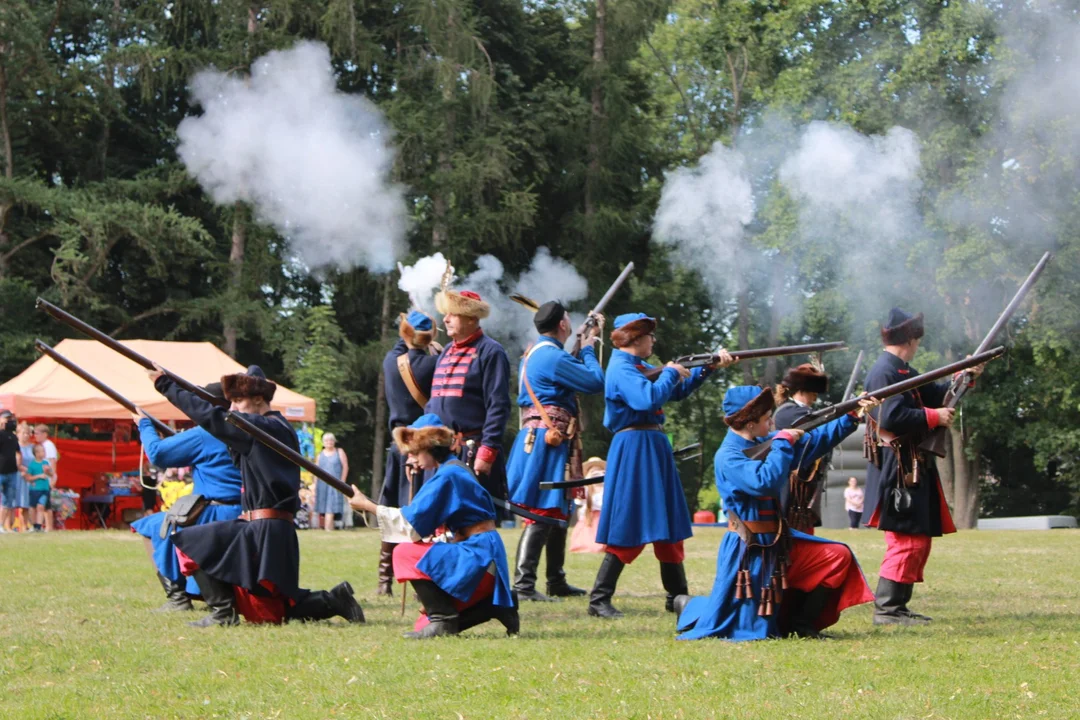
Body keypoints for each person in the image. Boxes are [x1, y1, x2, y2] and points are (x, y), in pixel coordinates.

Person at [148, 364, 364, 627]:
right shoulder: (274, 428)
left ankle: (223, 613)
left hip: (266, 528)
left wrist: (166, 385)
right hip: (265, 527)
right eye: (232, 401)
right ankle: (335, 600)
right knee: (272, 609)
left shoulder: (264, 428)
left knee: (192, 545)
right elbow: (231, 442)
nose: (234, 407)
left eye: (239, 400)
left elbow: (213, 418)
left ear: (259, 399)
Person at [674, 385, 875, 641]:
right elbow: (764, 482)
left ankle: (802, 625)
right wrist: (782, 444)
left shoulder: (764, 443)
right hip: (749, 549)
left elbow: (813, 444)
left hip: (778, 543)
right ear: (749, 423)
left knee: (837, 556)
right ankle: (690, 606)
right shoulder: (729, 455)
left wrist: (850, 417)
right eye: (767, 417)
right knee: (739, 622)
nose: (773, 421)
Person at [587, 313, 734, 619]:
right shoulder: (622, 368)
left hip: (651, 446)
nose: (654, 341)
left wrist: (706, 368)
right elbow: (646, 399)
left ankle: (677, 596)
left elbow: (675, 391)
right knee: (629, 523)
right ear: (636, 338)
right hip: (635, 447)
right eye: (650, 335)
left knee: (667, 523)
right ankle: (599, 599)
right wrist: (669, 372)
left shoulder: (636, 366)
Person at [861, 308, 982, 626]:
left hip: (909, 464)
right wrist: (933, 417)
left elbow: (939, 394)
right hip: (898, 466)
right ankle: (887, 610)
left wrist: (965, 376)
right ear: (911, 339)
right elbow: (890, 418)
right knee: (906, 539)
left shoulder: (901, 371)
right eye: (916, 339)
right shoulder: (885, 371)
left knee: (916, 538)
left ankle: (898, 607)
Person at [347, 414, 518, 639]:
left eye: (416, 452)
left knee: (404, 554)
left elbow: (409, 524)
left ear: (430, 447)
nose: (412, 459)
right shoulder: (450, 470)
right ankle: (494, 608)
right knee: (421, 624)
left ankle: (444, 621)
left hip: (479, 559)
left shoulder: (447, 475)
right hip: (482, 555)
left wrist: (367, 505)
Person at [506, 301, 606, 601]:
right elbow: (594, 381)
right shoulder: (551, 356)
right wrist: (588, 348)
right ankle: (524, 585)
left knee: (558, 506)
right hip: (546, 438)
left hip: (543, 437)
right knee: (543, 509)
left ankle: (555, 580)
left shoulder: (541, 353)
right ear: (562, 325)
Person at [129, 383, 244, 612]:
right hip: (240, 508)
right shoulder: (242, 426)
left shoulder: (206, 433)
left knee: (150, 526)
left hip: (213, 512)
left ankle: (177, 597)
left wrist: (144, 425)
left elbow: (158, 454)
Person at [425, 285, 511, 518]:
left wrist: (488, 451)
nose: (446, 319)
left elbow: (498, 406)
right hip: (443, 449)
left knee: (473, 522)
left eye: (453, 314)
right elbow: (433, 404)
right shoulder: (445, 353)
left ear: (471, 318)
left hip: (473, 451)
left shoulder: (491, 352)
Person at [377, 309, 441, 595]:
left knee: (392, 509)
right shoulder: (435, 363)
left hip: (396, 446)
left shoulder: (392, 361)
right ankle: (417, 576)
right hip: (420, 446)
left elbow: (399, 347)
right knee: (418, 512)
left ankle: (384, 580)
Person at [773, 363, 833, 534]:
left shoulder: (800, 411)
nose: (815, 398)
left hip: (802, 489)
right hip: (791, 489)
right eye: (813, 393)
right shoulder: (789, 412)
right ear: (802, 390)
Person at [569, 457, 606, 554]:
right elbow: (578, 500)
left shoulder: (606, 490)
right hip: (589, 519)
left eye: (600, 472)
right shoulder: (586, 490)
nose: (597, 475)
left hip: (602, 518)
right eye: (594, 473)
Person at [313, 433, 349, 531]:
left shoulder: (339, 451)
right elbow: (315, 470)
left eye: (331, 440)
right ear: (323, 443)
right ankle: (329, 528)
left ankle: (328, 528)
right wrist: (315, 484)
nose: (329, 442)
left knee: (332, 506)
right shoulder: (320, 455)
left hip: (336, 483)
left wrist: (343, 481)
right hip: (322, 484)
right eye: (327, 441)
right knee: (324, 507)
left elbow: (345, 466)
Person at [25, 443, 54, 531]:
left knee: (41, 506)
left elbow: (52, 474)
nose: (44, 453)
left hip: (44, 489)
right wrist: (39, 476)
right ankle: (34, 525)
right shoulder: (32, 465)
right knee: (32, 508)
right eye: (42, 451)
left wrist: (48, 471)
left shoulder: (46, 463)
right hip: (34, 490)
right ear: (36, 453)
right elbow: (28, 478)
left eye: (44, 451)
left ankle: (39, 526)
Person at [0, 411, 21, 534]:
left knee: (8, 501)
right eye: (7, 419)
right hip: (1, 472)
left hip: (12, 472)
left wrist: (19, 465)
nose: (10, 422)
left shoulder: (13, 437)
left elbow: (18, 452)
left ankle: (2, 525)